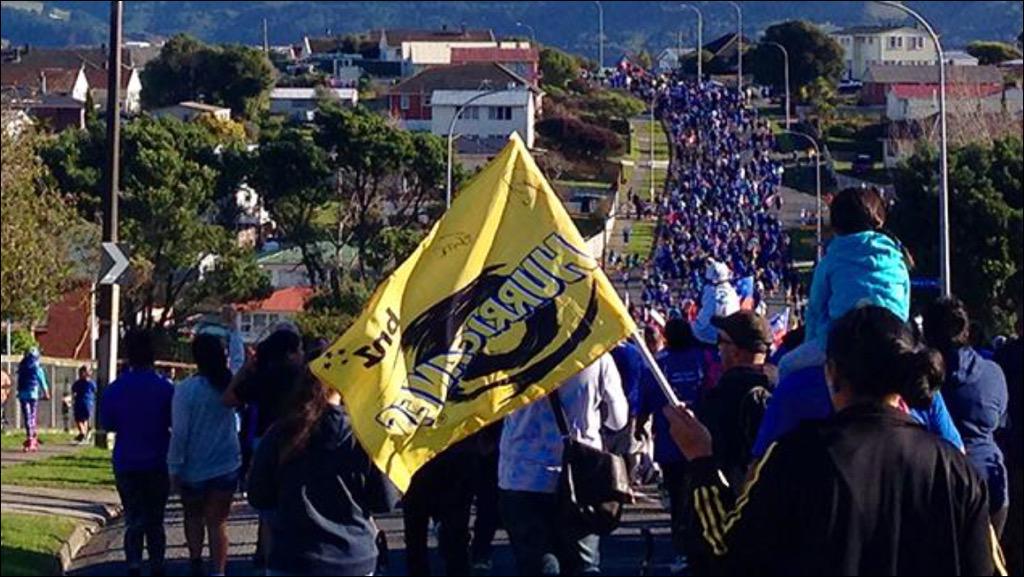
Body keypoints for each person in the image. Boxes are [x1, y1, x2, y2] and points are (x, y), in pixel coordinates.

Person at [664, 306, 1008, 576]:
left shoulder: (793, 458)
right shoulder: (955, 470)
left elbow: (728, 550)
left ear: (832, 372)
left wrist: (702, 461)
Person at [247, 371, 399, 577]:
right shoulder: (363, 435)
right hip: (352, 557)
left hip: (292, 556)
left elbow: (258, 495)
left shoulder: (280, 433)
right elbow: (385, 501)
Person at [499, 354, 628, 576]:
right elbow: (617, 419)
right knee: (584, 564)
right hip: (581, 475)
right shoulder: (596, 355)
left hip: (521, 473)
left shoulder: (508, 355)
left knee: (536, 563)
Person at [779, 187, 911, 379]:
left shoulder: (831, 260)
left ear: (836, 223)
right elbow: (903, 309)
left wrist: (812, 345)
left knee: (785, 366)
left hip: (842, 344)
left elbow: (815, 311)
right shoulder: (897, 259)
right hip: (892, 343)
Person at [923, 298, 1010, 538]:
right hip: (991, 485)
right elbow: (1000, 421)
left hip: (939, 486)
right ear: (967, 330)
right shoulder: (993, 373)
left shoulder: (922, 382)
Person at [101, 331, 175, 577]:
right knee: (155, 517)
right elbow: (173, 421)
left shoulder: (115, 389)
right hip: (157, 459)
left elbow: (107, 424)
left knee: (134, 516)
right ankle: (157, 562)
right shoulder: (166, 388)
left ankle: (133, 562)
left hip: (127, 460)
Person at [168, 335, 243, 577]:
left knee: (193, 516)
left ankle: (195, 560)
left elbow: (179, 432)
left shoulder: (186, 390)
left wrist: (174, 466)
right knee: (217, 521)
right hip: (225, 463)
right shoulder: (228, 386)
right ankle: (218, 570)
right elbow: (240, 363)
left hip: (193, 465)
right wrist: (235, 330)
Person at [636, 320, 705, 574]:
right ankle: (700, 544)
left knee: (678, 499)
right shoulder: (703, 359)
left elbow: (644, 404)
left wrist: (639, 426)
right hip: (700, 440)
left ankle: (683, 549)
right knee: (700, 495)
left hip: (671, 443)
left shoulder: (657, 364)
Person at [700, 311, 776, 491]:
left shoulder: (722, 397)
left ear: (735, 351)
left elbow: (708, 455)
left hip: (734, 496)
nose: (718, 347)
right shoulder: (784, 388)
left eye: (721, 341)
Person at [692, 261, 741, 346]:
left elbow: (702, 319)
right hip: (730, 335)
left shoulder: (710, 291)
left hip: (707, 335)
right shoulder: (732, 292)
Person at [16, 348, 50, 452]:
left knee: (27, 417)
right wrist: (46, 393)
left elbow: (19, 379)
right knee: (32, 416)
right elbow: (42, 381)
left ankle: (30, 437)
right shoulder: (37, 367)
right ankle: (32, 438)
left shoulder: (22, 366)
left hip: (23, 393)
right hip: (33, 394)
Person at [71, 366, 97, 444]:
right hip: (89, 403)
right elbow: (95, 391)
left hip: (80, 402)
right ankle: (85, 434)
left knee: (78, 419)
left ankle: (83, 432)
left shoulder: (79, 383)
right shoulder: (92, 383)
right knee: (85, 419)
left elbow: (73, 390)